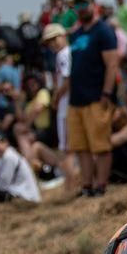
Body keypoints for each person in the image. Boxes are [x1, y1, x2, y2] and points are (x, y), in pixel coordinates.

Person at [65, 0, 121, 196]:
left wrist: (107, 93)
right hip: (76, 99)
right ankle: (86, 186)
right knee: (81, 146)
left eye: (83, 4)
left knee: (100, 145)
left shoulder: (103, 31)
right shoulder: (77, 33)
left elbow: (112, 64)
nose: (80, 9)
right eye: (77, 5)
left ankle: (101, 185)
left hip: (97, 97)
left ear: (93, 4)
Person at [0, 130, 40, 205]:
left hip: (24, 196)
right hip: (16, 191)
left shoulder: (9, 157)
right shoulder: (4, 156)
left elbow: (3, 184)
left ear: (5, 142)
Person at [41, 23, 71, 156]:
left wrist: (56, 98)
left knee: (66, 145)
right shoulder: (69, 52)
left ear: (63, 36)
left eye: (54, 39)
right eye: (49, 42)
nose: (52, 44)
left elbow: (67, 79)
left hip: (66, 103)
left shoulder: (62, 54)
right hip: (70, 103)